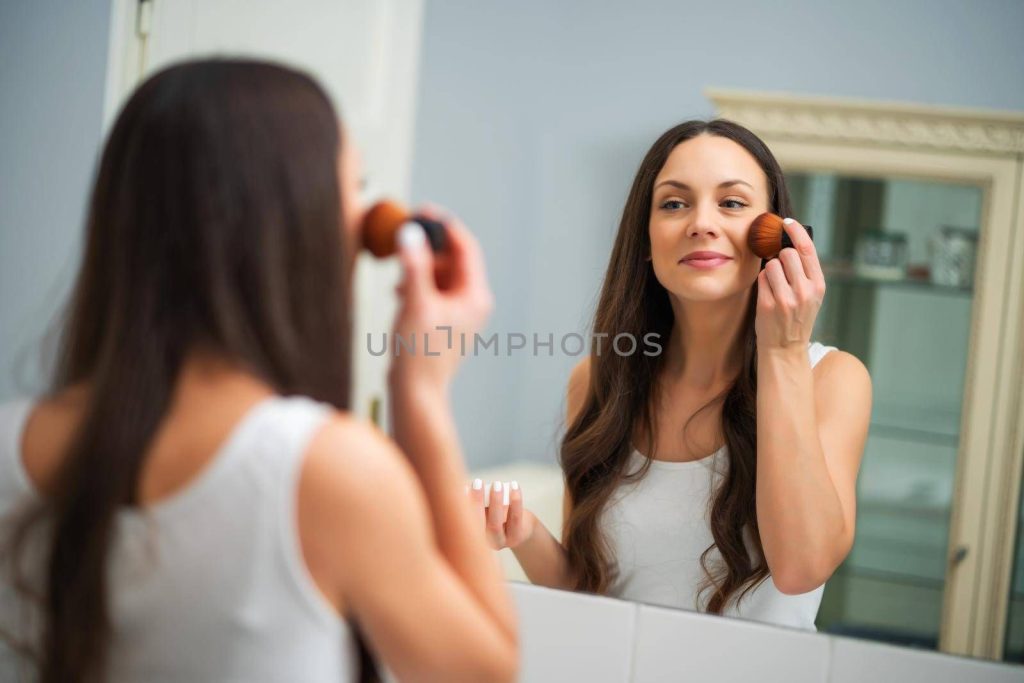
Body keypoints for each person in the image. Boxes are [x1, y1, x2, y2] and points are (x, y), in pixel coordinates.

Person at [0, 59, 517, 682]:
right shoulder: (328, 472)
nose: (363, 218)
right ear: (297, 221)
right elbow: (484, 672)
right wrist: (422, 395)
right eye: (354, 187)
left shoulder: (8, 441)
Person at [478, 119, 872, 631]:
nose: (701, 223)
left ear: (775, 237)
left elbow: (800, 569)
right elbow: (591, 592)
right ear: (646, 238)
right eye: (673, 203)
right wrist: (523, 531)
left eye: (731, 203)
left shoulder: (832, 379)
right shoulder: (596, 382)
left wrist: (784, 349)